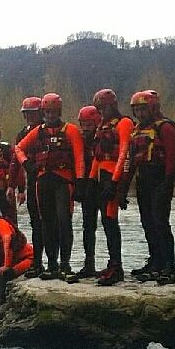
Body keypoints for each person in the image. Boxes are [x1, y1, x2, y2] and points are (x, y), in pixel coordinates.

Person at [14, 93, 86, 281]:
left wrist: (79, 181)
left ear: (59, 112)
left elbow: (79, 157)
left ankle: (65, 265)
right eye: (47, 112)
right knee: (46, 223)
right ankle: (52, 264)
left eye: (54, 112)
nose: (50, 115)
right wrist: (27, 164)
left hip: (63, 180)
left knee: (64, 221)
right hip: (43, 181)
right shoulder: (38, 132)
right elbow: (18, 148)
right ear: (43, 112)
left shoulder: (70, 130)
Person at [115, 90, 175, 285]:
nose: (140, 114)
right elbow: (130, 162)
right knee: (148, 223)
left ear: (153, 107)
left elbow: (171, 158)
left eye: (143, 109)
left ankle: (169, 267)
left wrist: (167, 183)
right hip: (143, 180)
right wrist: (123, 189)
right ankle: (155, 262)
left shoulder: (165, 127)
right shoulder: (137, 130)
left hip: (160, 180)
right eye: (136, 110)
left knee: (161, 223)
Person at [88, 89, 134, 287]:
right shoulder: (102, 126)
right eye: (99, 109)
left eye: (104, 108)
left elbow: (124, 153)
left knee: (110, 220)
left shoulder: (124, 123)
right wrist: (91, 180)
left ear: (113, 105)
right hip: (102, 177)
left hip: (113, 177)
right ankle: (112, 262)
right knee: (106, 222)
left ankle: (117, 267)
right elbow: (97, 157)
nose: (102, 112)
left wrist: (115, 183)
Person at [68, 105, 103, 283]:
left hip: (103, 186)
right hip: (87, 188)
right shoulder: (80, 141)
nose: (86, 128)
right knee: (88, 226)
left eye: (89, 124)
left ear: (96, 122)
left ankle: (115, 264)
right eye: (83, 124)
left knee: (109, 225)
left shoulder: (104, 137)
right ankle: (89, 263)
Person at [15, 97, 45, 278]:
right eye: (26, 114)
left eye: (32, 113)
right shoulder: (22, 134)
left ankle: (55, 263)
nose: (29, 117)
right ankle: (37, 262)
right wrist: (14, 187)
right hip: (32, 182)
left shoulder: (47, 131)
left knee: (51, 223)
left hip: (49, 181)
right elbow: (16, 162)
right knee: (36, 223)